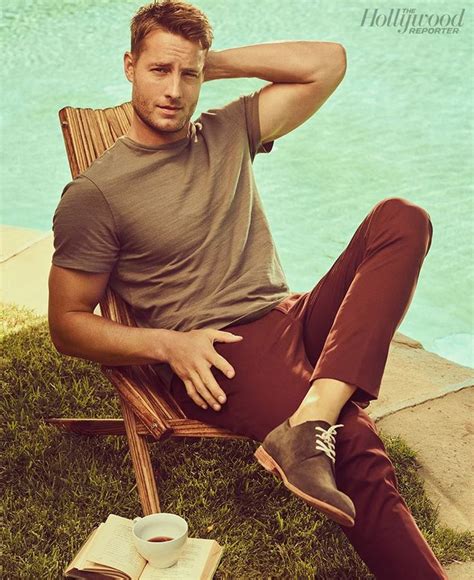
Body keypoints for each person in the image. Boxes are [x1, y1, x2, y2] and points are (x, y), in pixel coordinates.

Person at [48, 1, 446, 577]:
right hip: (223, 352)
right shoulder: (95, 194)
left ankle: (310, 418)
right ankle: (327, 428)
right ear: (129, 65)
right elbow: (67, 322)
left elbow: (327, 62)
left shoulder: (226, 130)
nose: (174, 89)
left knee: (402, 218)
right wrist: (168, 345)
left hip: (287, 314)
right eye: (159, 69)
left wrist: (210, 63)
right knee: (356, 449)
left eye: (189, 74)